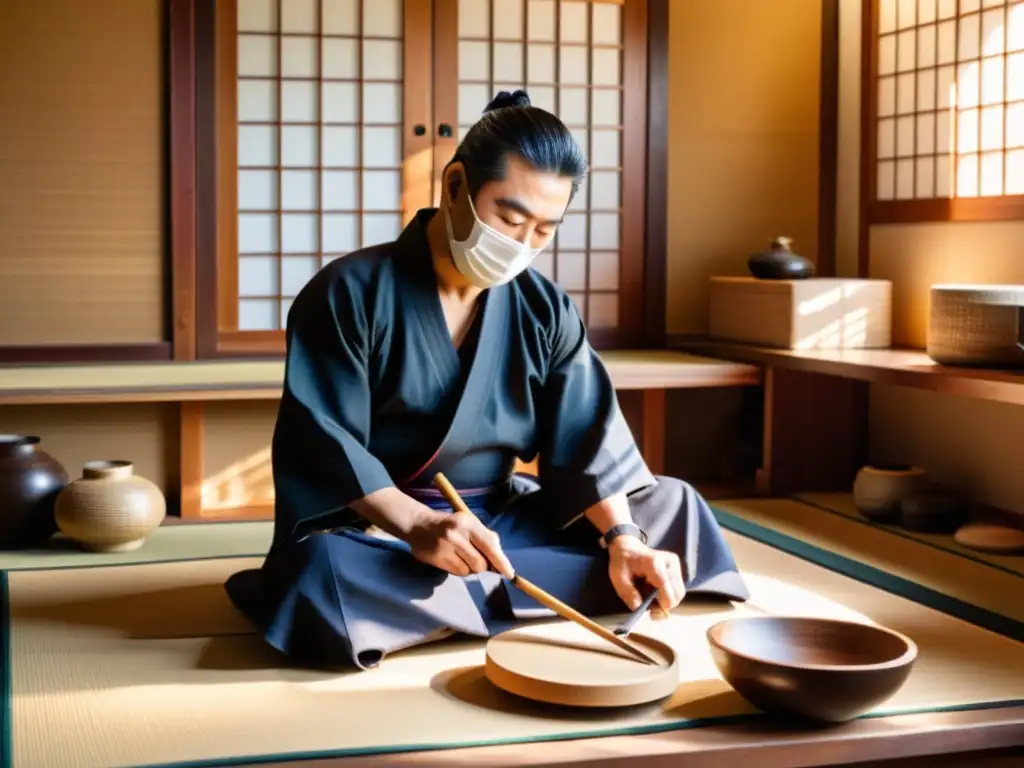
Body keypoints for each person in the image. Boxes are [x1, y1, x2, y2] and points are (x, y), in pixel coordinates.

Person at [225, 90, 749, 670]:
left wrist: (623, 537)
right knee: (322, 573)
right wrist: (421, 524)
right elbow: (325, 441)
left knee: (671, 509)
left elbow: (587, 436)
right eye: (509, 218)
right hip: (383, 530)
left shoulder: (544, 307)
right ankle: (523, 595)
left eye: (544, 231)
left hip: (497, 526)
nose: (521, 246)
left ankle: (463, 606)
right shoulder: (349, 292)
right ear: (454, 186)